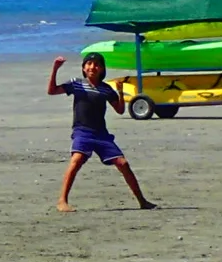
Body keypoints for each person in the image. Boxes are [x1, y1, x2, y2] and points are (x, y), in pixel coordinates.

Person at [48, 53, 153, 211]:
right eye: (89, 64)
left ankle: (142, 201)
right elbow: (52, 91)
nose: (92, 67)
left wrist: (120, 93)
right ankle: (62, 201)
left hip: (101, 134)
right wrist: (55, 68)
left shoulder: (105, 89)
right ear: (83, 68)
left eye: (97, 64)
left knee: (123, 164)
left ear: (102, 69)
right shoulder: (76, 84)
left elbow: (119, 110)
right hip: (82, 131)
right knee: (76, 160)